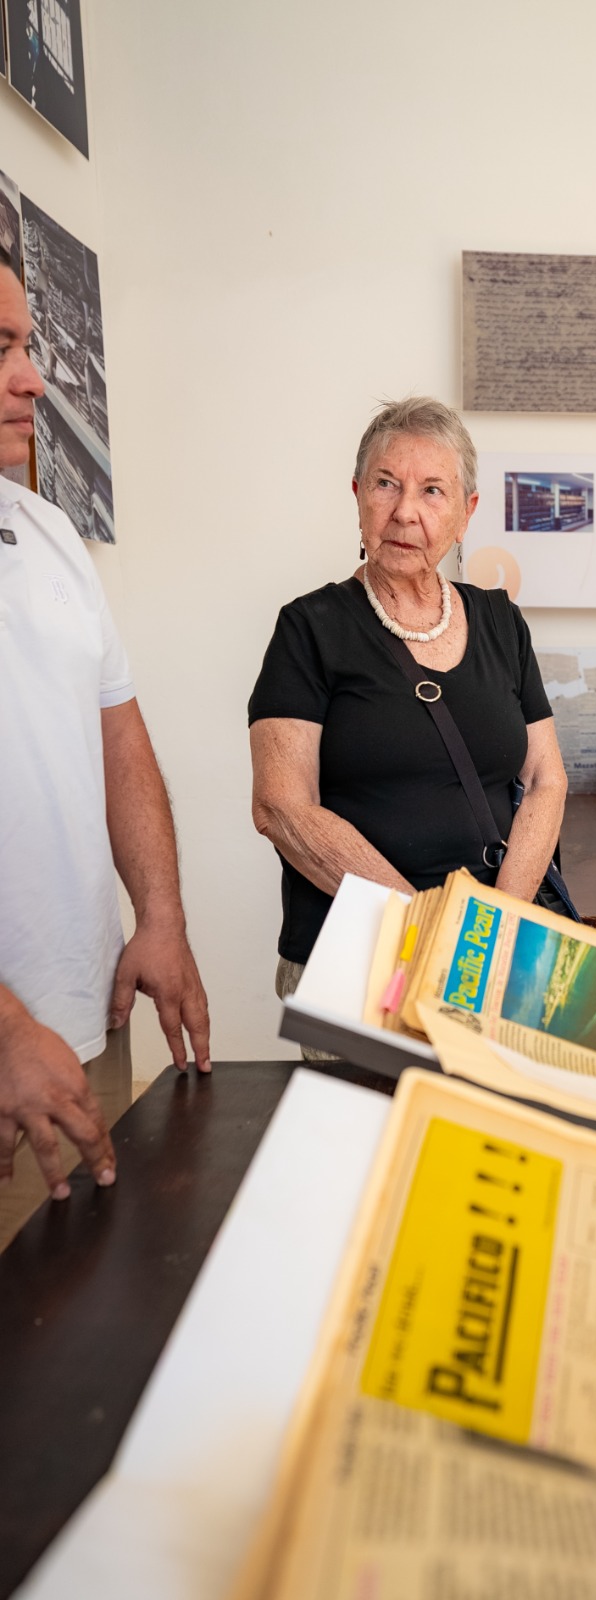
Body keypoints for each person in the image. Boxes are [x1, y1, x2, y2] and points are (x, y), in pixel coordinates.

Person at [0, 250, 210, 1233]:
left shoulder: (48, 534)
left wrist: (161, 916)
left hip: (93, 1022)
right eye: (1, 348)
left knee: (97, 1291)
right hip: (10, 1055)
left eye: (28, 347)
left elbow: (119, 738)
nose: (34, 381)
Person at [249, 398, 567, 1012]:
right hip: (359, 962)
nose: (404, 511)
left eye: (432, 491)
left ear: (466, 512)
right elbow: (280, 807)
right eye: (386, 484)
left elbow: (545, 778)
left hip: (490, 956)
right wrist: (423, 930)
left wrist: (494, 928)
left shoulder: (501, 622)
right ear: (358, 495)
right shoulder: (309, 629)